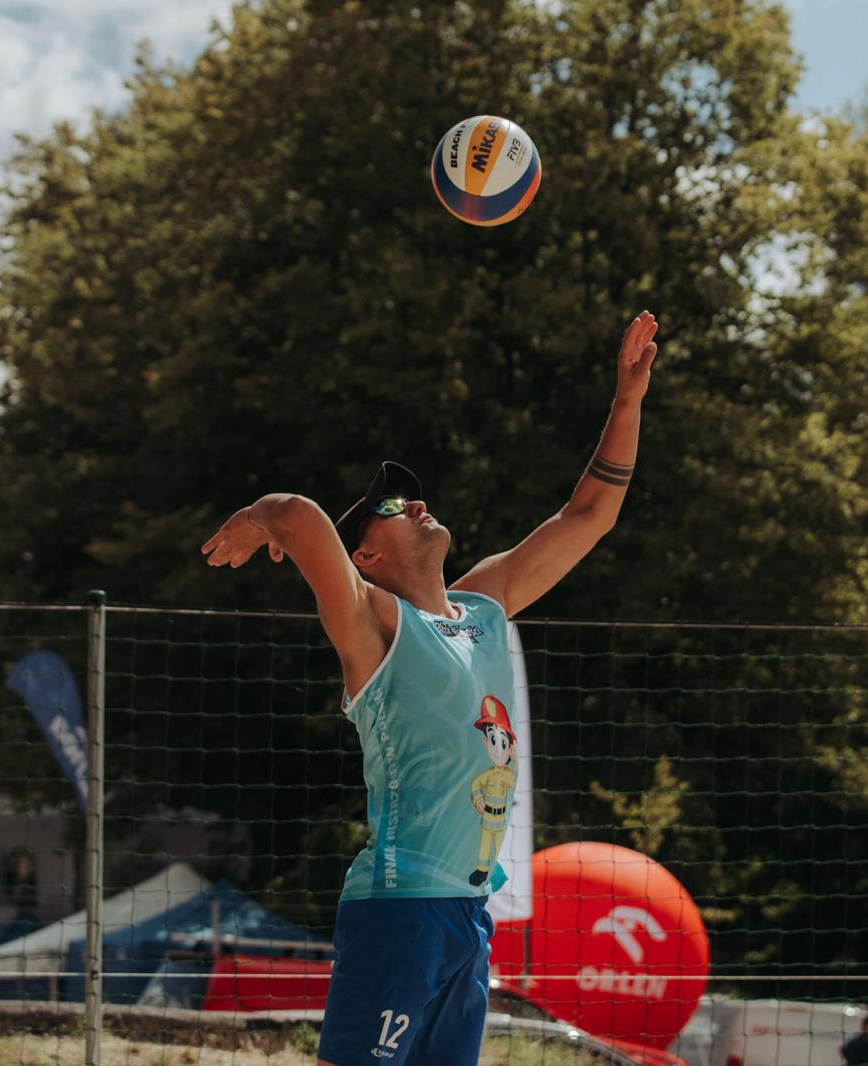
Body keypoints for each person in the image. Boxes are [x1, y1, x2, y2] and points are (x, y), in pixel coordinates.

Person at [201, 311, 660, 1066]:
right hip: (400, 911)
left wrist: (627, 399)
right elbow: (303, 518)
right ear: (367, 557)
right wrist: (259, 519)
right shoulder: (374, 626)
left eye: (411, 498)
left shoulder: (483, 606)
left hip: (467, 916)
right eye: (392, 508)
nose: (415, 504)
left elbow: (590, 513)